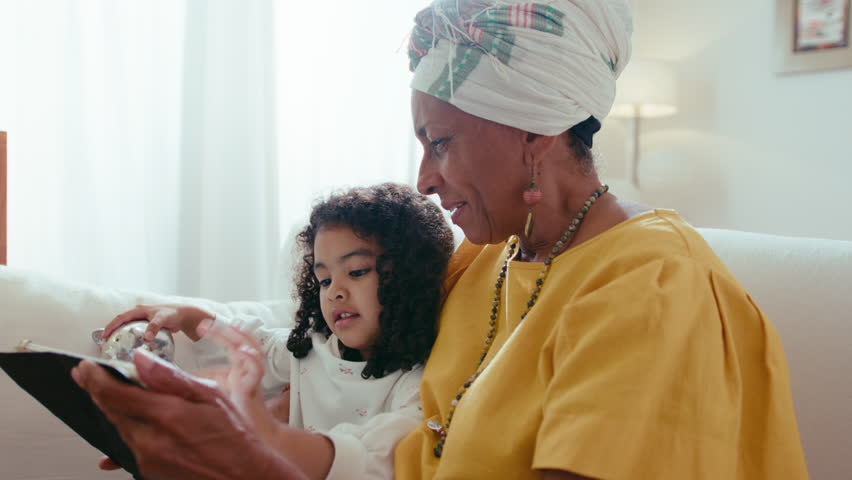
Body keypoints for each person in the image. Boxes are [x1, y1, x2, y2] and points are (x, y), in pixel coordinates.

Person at [74, 0, 809, 479]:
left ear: (536, 131)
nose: (424, 178)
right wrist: (222, 412)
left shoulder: (651, 286)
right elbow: (335, 352)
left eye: (442, 142)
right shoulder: (486, 259)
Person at [96, 183, 455, 479]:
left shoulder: (415, 383)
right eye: (324, 279)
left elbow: (385, 454)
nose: (335, 291)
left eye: (357, 271)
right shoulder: (311, 351)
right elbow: (255, 346)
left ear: (409, 278)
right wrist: (189, 317)